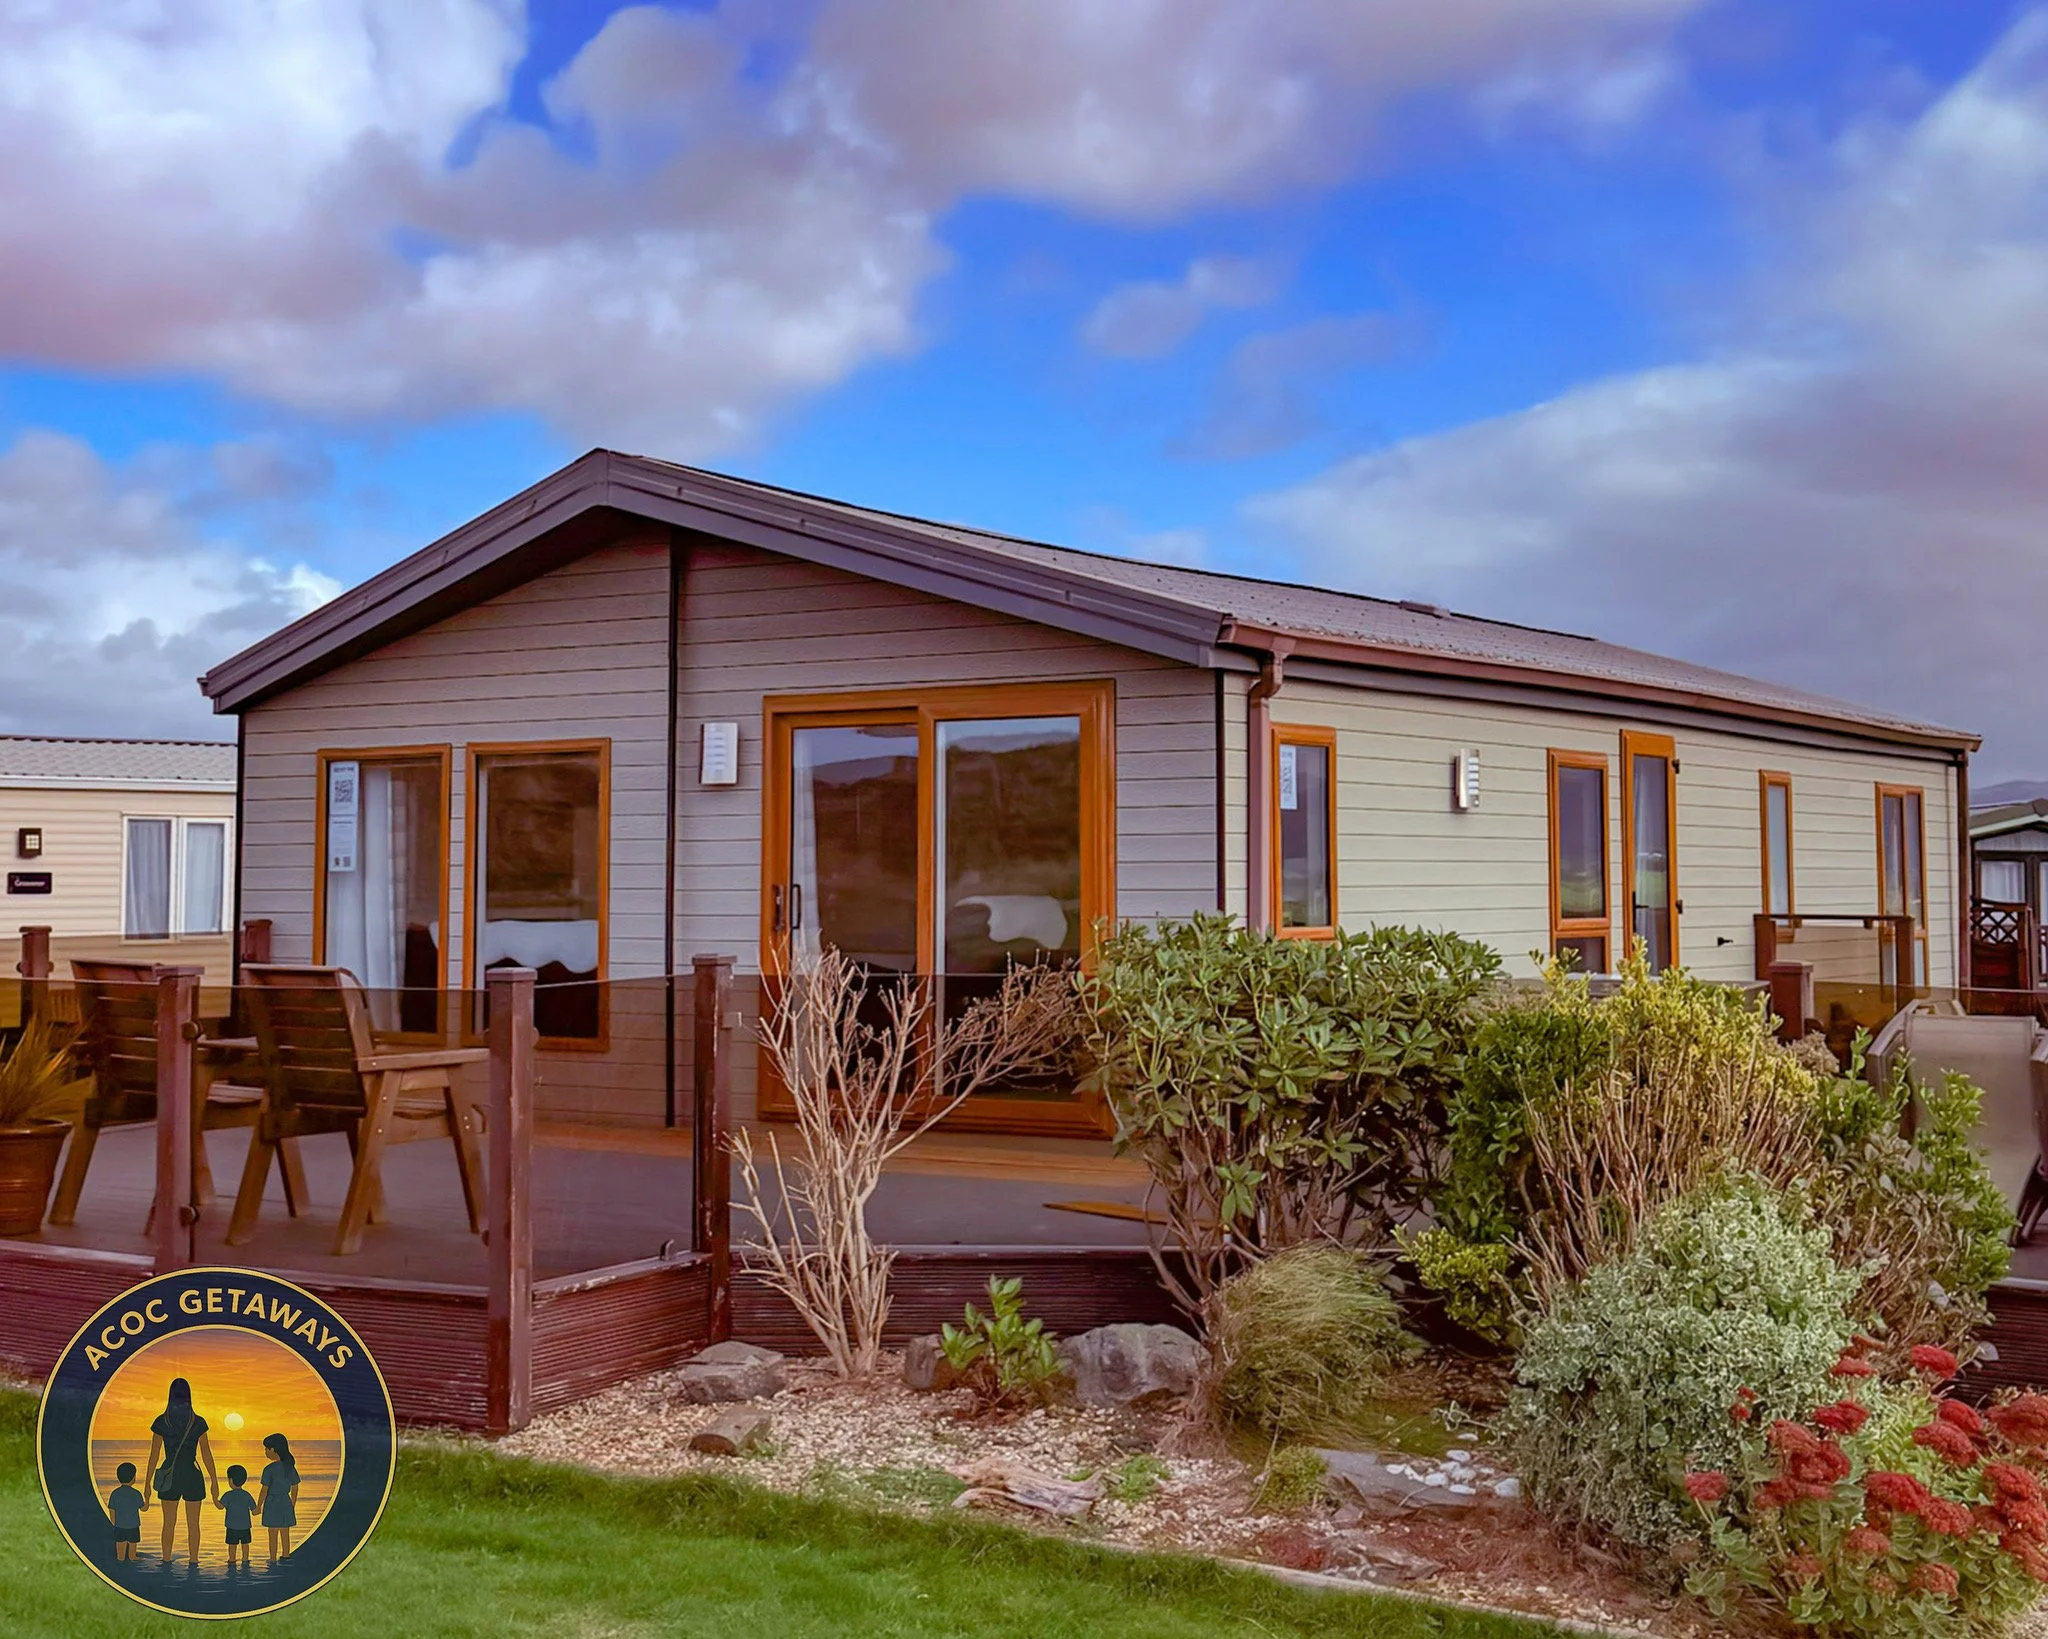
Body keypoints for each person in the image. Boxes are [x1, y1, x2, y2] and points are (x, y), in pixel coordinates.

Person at [141, 1377, 217, 1564]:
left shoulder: (162, 1421)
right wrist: (214, 1480)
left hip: (169, 1476)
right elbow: (206, 1454)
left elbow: (154, 1455)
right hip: (192, 1474)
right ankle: (194, 1562)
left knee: (168, 1523)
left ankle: (166, 1561)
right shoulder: (197, 1421)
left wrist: (147, 1484)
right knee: (193, 1525)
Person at [257, 1434, 299, 1560]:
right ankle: (286, 1554)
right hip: (285, 1502)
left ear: (273, 1450)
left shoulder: (269, 1469)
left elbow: (264, 1490)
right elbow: (295, 1487)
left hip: (272, 1503)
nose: (265, 1452)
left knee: (273, 1532)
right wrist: (292, 1504)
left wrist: (259, 1506)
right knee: (285, 1531)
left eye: (266, 1449)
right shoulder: (289, 1467)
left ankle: (272, 1557)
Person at [106, 1461, 147, 1562]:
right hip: (133, 1526)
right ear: (133, 1477)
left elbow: (112, 1511)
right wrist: (148, 1498)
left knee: (120, 1553)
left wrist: (115, 1524)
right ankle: (133, 1557)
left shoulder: (114, 1493)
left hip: (119, 1526)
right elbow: (143, 1508)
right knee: (132, 1550)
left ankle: (120, 1559)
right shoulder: (136, 1494)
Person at [216, 1465, 255, 1567]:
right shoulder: (247, 1495)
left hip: (232, 1526)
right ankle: (245, 1559)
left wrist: (214, 1498)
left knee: (232, 1545)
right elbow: (254, 1510)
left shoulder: (228, 1495)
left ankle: (232, 1560)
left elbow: (220, 1506)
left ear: (231, 1480)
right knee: (245, 1545)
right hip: (245, 1526)